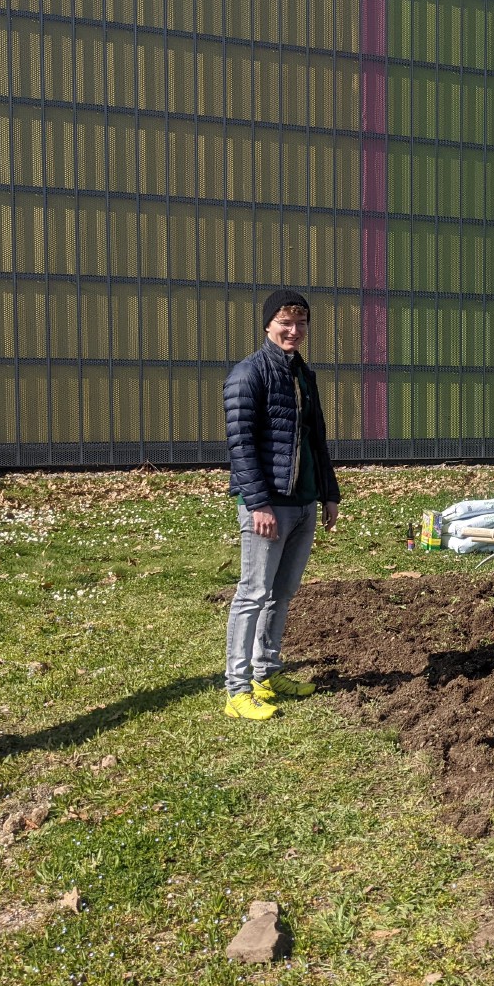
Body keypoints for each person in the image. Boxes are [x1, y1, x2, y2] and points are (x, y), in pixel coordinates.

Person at [223, 291, 341, 720]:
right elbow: (241, 447)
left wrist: (328, 493)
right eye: (285, 322)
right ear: (268, 325)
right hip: (269, 505)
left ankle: (266, 673)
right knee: (253, 593)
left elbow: (316, 440)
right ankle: (237, 691)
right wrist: (258, 504)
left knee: (283, 593)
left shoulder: (303, 374)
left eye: (301, 322)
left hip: (304, 501)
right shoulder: (248, 374)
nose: (294, 330)